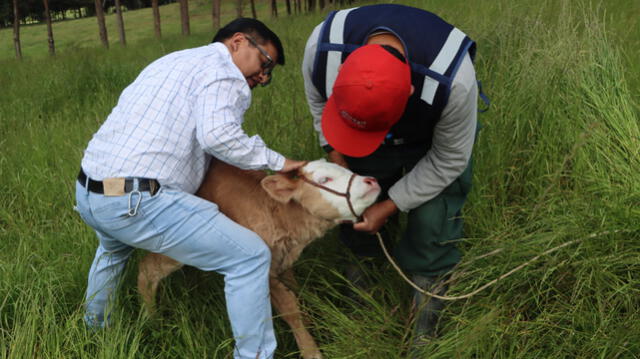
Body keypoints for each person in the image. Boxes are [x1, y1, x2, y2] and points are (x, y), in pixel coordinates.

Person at [75, 18, 305, 359]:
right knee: (250, 256)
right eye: (265, 63)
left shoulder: (173, 61)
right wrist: (278, 161)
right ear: (237, 42)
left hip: (91, 193)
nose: (264, 77)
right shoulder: (226, 72)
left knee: (113, 251)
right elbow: (218, 136)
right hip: (138, 201)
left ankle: (94, 333)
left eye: (269, 73)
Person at [301, 3, 481, 350]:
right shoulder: (321, 50)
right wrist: (341, 166)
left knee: (432, 223)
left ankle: (425, 328)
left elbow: (449, 159)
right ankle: (362, 299)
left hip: (430, 141)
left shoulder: (453, 81)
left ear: (410, 93)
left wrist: (389, 206)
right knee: (352, 212)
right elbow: (319, 106)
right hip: (357, 123)